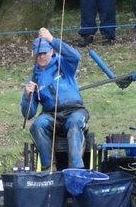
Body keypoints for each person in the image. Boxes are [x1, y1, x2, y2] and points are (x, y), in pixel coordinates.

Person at [20, 28, 88, 170]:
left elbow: (76, 56)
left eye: (44, 53)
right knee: (37, 126)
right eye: (38, 54)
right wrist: (27, 96)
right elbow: (29, 114)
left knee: (75, 123)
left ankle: (76, 169)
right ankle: (49, 168)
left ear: (51, 51)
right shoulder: (34, 78)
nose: (41, 57)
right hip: (51, 115)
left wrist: (52, 39)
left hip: (74, 110)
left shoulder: (63, 63)